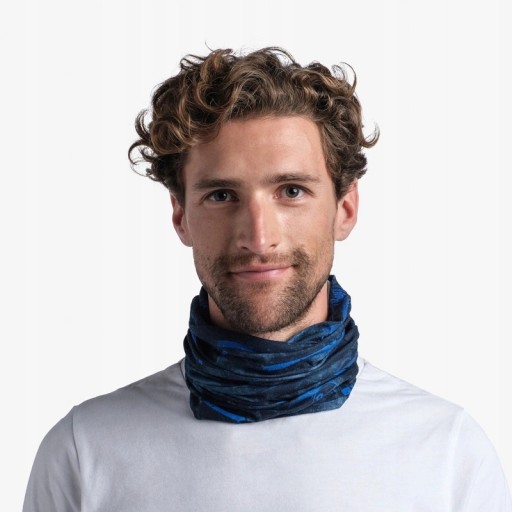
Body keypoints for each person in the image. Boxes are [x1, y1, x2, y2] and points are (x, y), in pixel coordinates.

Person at [23, 47, 511, 511]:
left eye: (291, 191)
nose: (258, 238)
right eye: (221, 195)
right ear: (180, 216)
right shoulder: (85, 450)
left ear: (345, 209)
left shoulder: (447, 452)